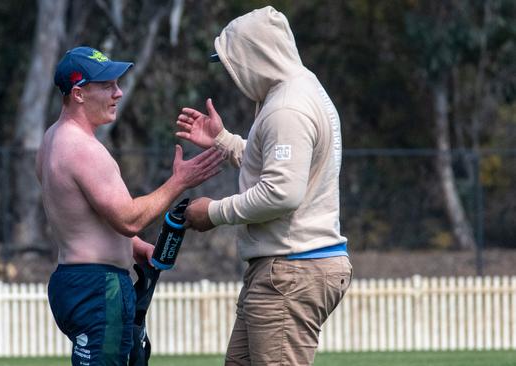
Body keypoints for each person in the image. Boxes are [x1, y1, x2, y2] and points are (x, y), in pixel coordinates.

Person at [176, 7, 353, 366]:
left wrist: (212, 212)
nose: (230, 72)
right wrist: (223, 140)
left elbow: (282, 193)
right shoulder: (301, 90)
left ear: (256, 55)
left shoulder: (287, 108)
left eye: (233, 61)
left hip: (290, 270)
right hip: (287, 267)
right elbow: (279, 167)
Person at [36, 46, 224, 366]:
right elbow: (129, 219)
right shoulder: (83, 149)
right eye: (108, 85)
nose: (118, 93)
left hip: (76, 280)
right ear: (79, 94)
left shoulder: (52, 139)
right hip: (98, 288)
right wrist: (179, 181)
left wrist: (132, 245)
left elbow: (81, 215)